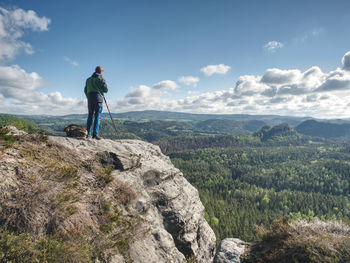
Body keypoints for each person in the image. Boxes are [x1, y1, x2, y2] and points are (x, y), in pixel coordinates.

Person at [84, 66, 108, 140]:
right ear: (101, 71)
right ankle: (95, 134)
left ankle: (88, 134)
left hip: (90, 98)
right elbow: (106, 89)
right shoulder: (101, 78)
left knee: (90, 115)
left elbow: (85, 90)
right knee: (97, 116)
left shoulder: (88, 79)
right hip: (98, 98)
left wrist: (88, 96)